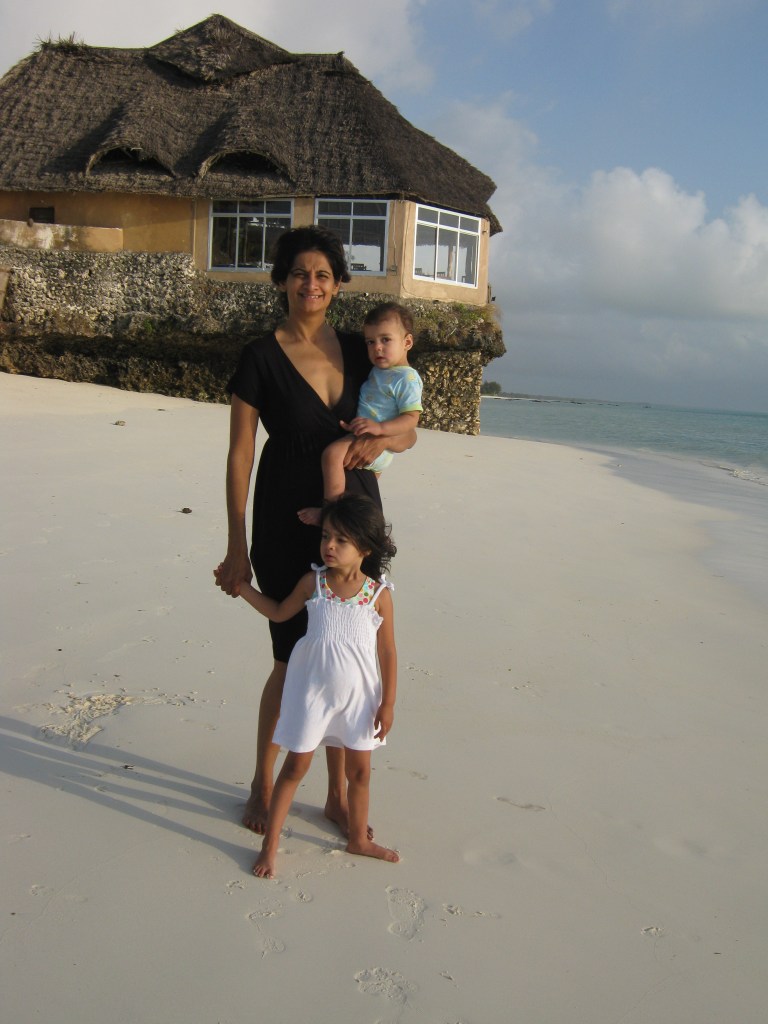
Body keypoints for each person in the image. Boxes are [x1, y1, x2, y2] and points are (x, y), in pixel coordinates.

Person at [214, 225, 416, 836]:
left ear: (337, 284)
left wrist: (384, 437)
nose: (312, 284)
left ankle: (333, 795)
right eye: (300, 273)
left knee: (349, 651)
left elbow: (408, 431)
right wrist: (233, 540)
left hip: (356, 518)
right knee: (290, 655)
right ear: (281, 280)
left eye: (324, 274)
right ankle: (261, 781)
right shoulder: (260, 355)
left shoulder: (362, 350)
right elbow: (239, 454)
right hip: (285, 513)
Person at [215, 494, 400, 878]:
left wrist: (388, 704)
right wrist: (242, 589)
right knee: (296, 765)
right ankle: (270, 846)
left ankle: (358, 840)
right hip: (312, 693)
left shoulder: (378, 597)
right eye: (326, 536)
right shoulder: (313, 583)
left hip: (359, 698)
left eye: (341, 540)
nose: (329, 546)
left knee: (361, 773)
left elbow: (388, 654)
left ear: (365, 548)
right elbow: (280, 613)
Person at [298, 302, 422, 526]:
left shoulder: (407, 378)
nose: (377, 348)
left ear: (407, 342)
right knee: (362, 497)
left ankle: (330, 511)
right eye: (370, 342)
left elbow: (412, 418)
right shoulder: (379, 371)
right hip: (366, 435)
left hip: (376, 439)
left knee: (332, 456)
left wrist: (380, 431)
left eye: (386, 340)